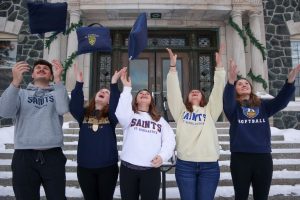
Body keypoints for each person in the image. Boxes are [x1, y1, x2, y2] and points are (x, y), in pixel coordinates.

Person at [223, 60, 300, 200]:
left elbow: (281, 101)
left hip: (262, 157)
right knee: (241, 196)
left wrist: (289, 82)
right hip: (240, 158)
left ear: (251, 88)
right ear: (235, 90)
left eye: (246, 83)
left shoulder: (263, 106)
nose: (244, 85)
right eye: (239, 84)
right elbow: (227, 101)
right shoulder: (233, 109)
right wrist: (230, 82)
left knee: (261, 197)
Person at [0, 59, 69, 200]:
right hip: (24, 157)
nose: (41, 69)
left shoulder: (57, 92)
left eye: (46, 68)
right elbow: (5, 112)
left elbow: (63, 109)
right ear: (32, 74)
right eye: (38, 67)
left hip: (53, 156)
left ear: (50, 75)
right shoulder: (20, 93)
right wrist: (15, 82)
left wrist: (58, 80)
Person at [166, 47, 225, 200]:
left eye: (198, 91)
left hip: (209, 166)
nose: (194, 92)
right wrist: (173, 68)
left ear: (202, 97)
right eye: (192, 91)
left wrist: (219, 69)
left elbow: (218, 92)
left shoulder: (210, 111)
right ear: (187, 97)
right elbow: (173, 92)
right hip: (185, 165)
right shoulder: (180, 112)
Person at [115, 68, 176, 200]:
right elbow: (120, 113)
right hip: (128, 169)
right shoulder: (130, 116)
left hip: (151, 171)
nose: (144, 94)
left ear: (151, 101)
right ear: (136, 100)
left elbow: (169, 140)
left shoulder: (160, 120)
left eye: (147, 93)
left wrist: (163, 156)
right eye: (140, 93)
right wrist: (126, 89)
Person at [69, 65, 125, 200]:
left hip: (107, 167)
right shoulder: (83, 114)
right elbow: (74, 106)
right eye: (102, 90)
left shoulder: (111, 117)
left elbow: (117, 107)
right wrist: (79, 83)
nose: (103, 92)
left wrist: (113, 84)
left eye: (107, 93)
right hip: (85, 167)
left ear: (109, 101)